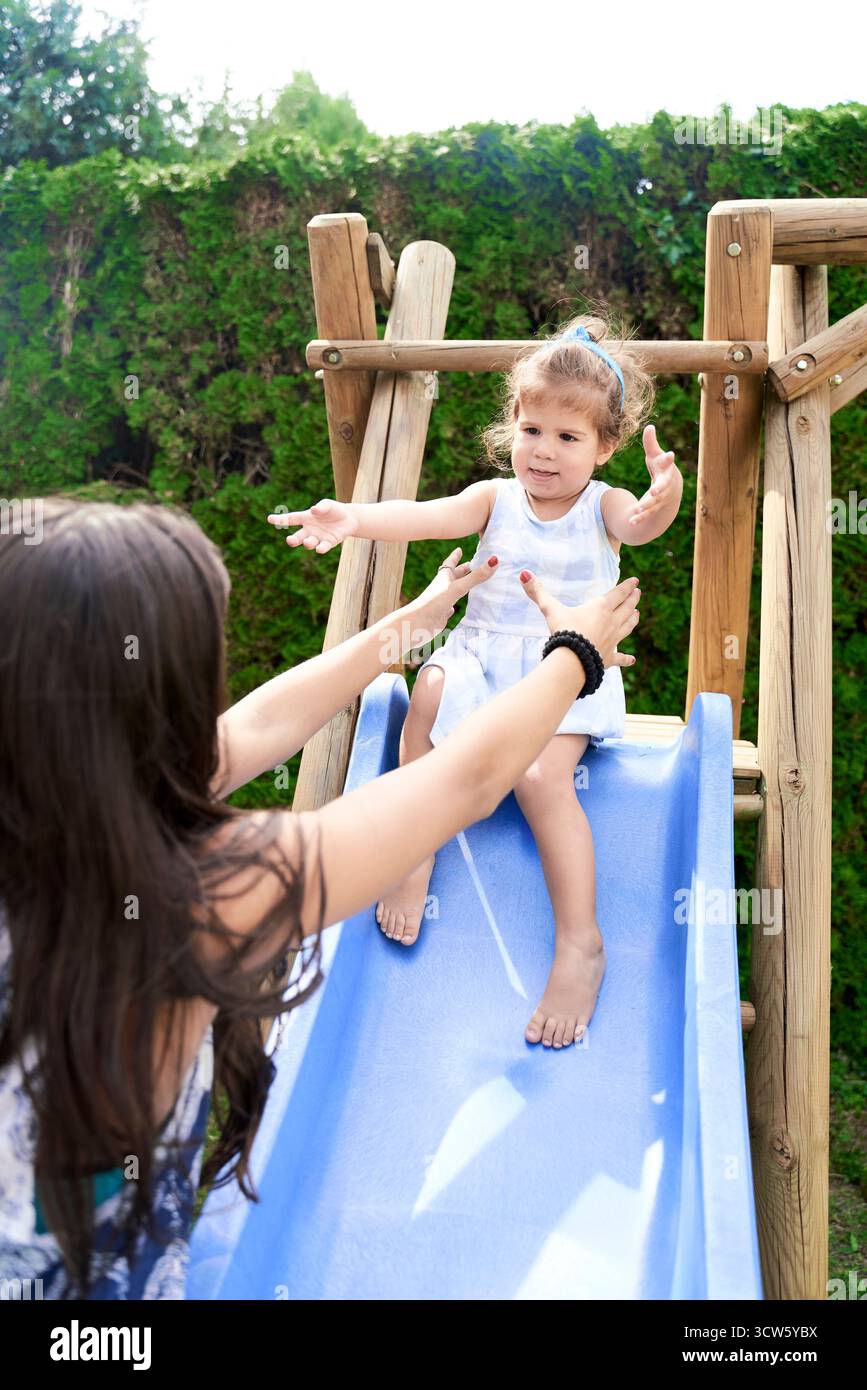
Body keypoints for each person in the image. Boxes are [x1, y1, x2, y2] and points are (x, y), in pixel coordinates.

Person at [0, 493, 641, 1298]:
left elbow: (261, 725)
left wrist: (410, 625)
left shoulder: (57, 801)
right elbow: (465, 781)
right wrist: (574, 651)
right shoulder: (194, 894)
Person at [267, 312, 683, 1048]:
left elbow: (643, 525)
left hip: (562, 671)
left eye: (567, 438)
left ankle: (580, 942)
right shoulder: (493, 499)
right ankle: (412, 847)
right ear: (512, 426)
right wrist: (352, 518)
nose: (543, 453)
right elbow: (423, 516)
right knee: (424, 694)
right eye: (531, 432)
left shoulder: (602, 507)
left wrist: (663, 498)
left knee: (539, 780)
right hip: (483, 658)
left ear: (605, 446)